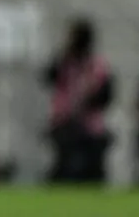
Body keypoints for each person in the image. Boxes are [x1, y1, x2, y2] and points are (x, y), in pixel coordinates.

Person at [44, 17, 114, 182]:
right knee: (63, 163)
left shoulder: (97, 65)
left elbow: (106, 96)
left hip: (90, 125)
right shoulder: (64, 62)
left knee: (93, 166)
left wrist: (91, 98)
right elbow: (49, 76)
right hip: (64, 120)